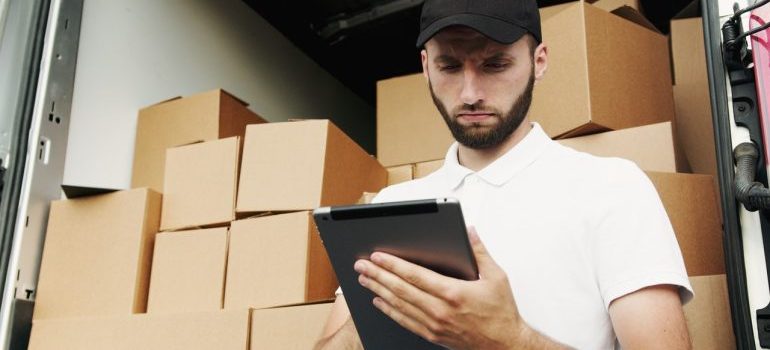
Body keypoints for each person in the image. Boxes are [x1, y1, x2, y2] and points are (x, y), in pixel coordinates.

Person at [315, 0, 693, 348]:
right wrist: (378, 312)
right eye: (449, 66)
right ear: (425, 67)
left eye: (495, 64)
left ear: (539, 61)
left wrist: (509, 337)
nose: (470, 93)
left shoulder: (612, 188)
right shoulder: (391, 206)